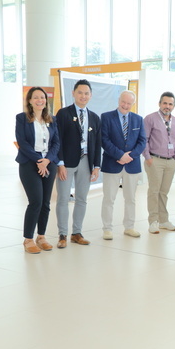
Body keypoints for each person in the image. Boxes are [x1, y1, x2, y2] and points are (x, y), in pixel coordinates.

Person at [55, 79, 102, 248]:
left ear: (90, 95)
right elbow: (57, 140)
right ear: (73, 93)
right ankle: (62, 234)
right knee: (63, 198)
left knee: (82, 199)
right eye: (80, 92)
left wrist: (96, 166)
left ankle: (77, 233)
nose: (83, 96)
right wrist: (59, 163)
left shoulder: (95, 118)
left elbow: (97, 144)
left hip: (86, 161)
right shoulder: (63, 113)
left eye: (86, 93)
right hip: (66, 163)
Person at [16, 87, 60, 253]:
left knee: (46, 203)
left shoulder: (52, 119)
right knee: (36, 201)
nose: (40, 100)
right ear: (29, 101)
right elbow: (22, 142)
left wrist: (47, 160)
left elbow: (56, 143)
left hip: (49, 163)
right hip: (29, 163)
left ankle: (41, 236)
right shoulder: (22, 118)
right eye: (36, 97)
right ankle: (28, 239)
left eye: (42, 97)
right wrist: (39, 161)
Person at [100, 90, 146, 240]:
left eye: (129, 103)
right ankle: (107, 228)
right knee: (109, 198)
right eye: (123, 102)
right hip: (112, 163)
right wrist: (119, 155)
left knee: (131, 198)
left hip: (131, 165)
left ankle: (129, 227)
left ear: (133, 104)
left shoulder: (138, 119)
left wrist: (129, 157)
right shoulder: (106, 117)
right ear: (119, 100)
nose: (125, 105)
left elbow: (142, 141)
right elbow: (104, 140)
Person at [143, 92, 175, 234]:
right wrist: (148, 157)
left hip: (170, 162)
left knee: (164, 192)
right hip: (155, 160)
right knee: (154, 191)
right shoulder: (150, 119)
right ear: (159, 103)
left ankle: (164, 220)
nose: (167, 106)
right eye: (165, 103)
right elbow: (144, 139)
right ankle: (153, 221)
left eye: (170, 104)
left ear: (173, 106)